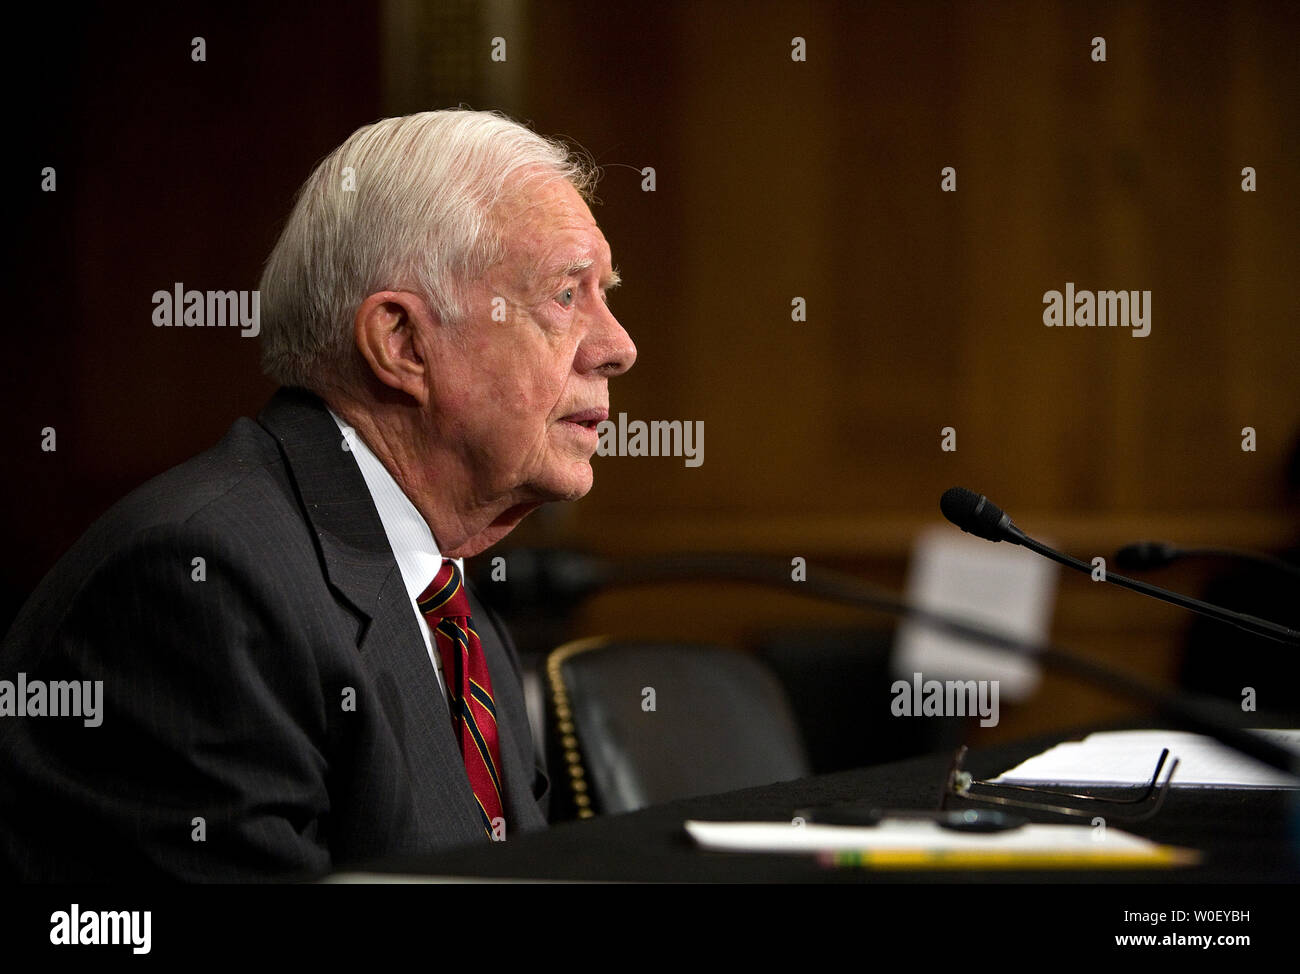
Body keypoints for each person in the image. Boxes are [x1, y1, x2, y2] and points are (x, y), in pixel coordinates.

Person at [0, 110, 636, 881]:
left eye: (605, 295)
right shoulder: (201, 585)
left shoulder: (452, 603)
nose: (617, 348)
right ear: (402, 343)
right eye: (568, 296)